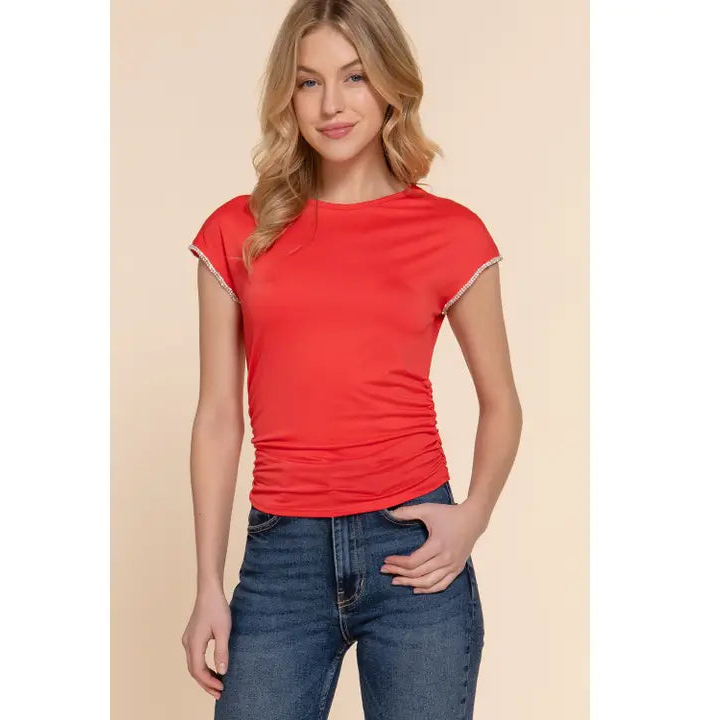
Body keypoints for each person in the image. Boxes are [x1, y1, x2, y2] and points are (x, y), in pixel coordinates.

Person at [181, 1, 522, 718]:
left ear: (391, 83)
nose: (331, 104)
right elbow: (217, 418)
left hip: (413, 553)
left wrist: (473, 516)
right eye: (309, 82)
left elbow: (501, 403)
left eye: (355, 76)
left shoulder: (450, 233)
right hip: (281, 559)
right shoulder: (237, 230)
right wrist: (208, 584)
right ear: (288, 96)